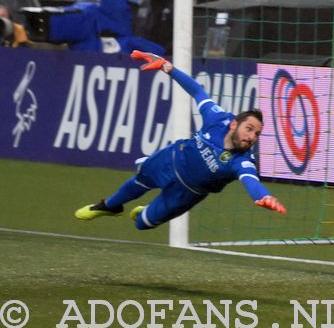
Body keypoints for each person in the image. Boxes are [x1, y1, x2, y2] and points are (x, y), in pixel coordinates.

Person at [75, 50, 286, 229]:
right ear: (234, 124)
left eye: (257, 134)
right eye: (249, 129)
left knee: (142, 224)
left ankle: (146, 212)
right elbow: (197, 91)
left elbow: (251, 181)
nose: (251, 137)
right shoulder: (218, 119)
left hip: (187, 192)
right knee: (141, 180)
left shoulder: (242, 161)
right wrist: (167, 66)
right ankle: (110, 206)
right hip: (172, 158)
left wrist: (263, 196)